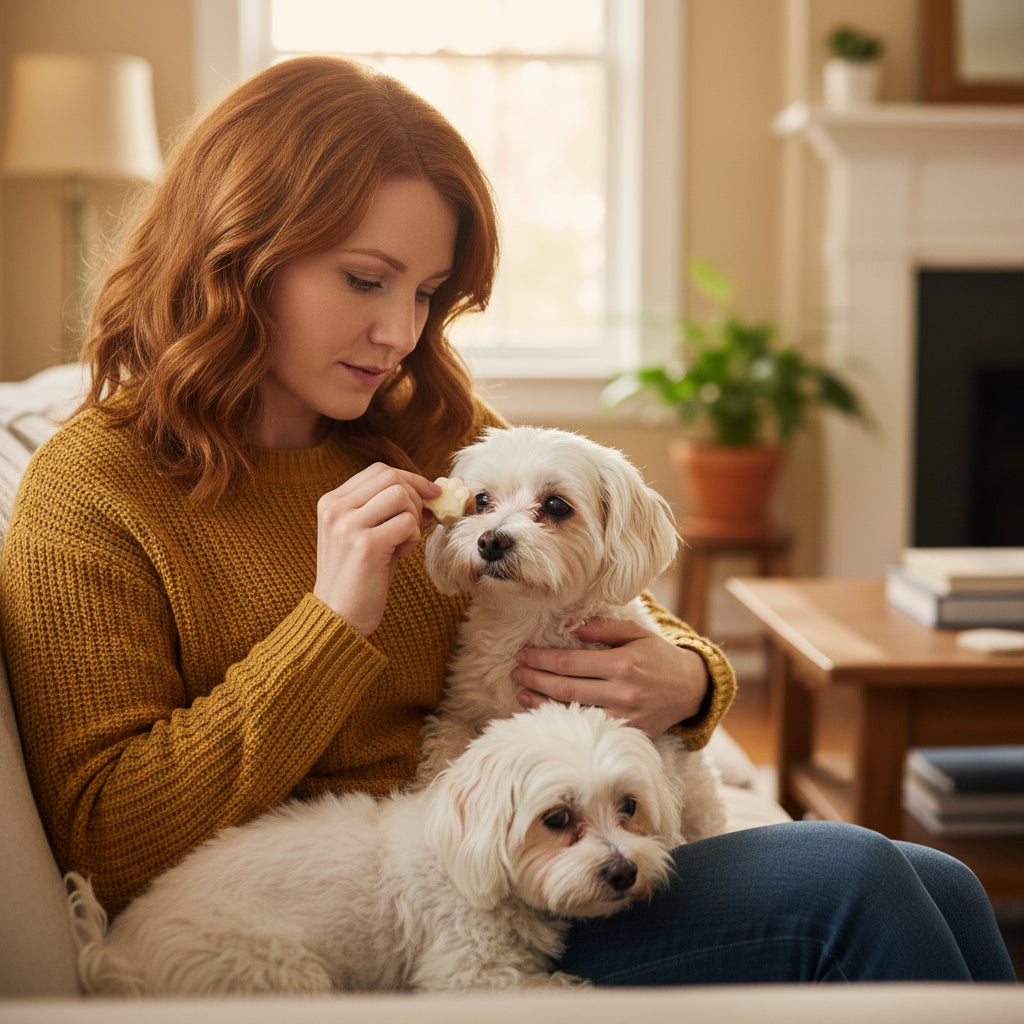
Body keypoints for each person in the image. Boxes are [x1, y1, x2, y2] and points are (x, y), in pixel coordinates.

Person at [0, 56, 1014, 986]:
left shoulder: (423, 426)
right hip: (400, 914)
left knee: (946, 880)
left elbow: (613, 596)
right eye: (363, 280)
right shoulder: (93, 491)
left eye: (427, 293)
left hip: (535, 855)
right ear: (235, 250)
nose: (398, 334)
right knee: (858, 881)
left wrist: (693, 681)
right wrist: (329, 621)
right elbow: (109, 839)